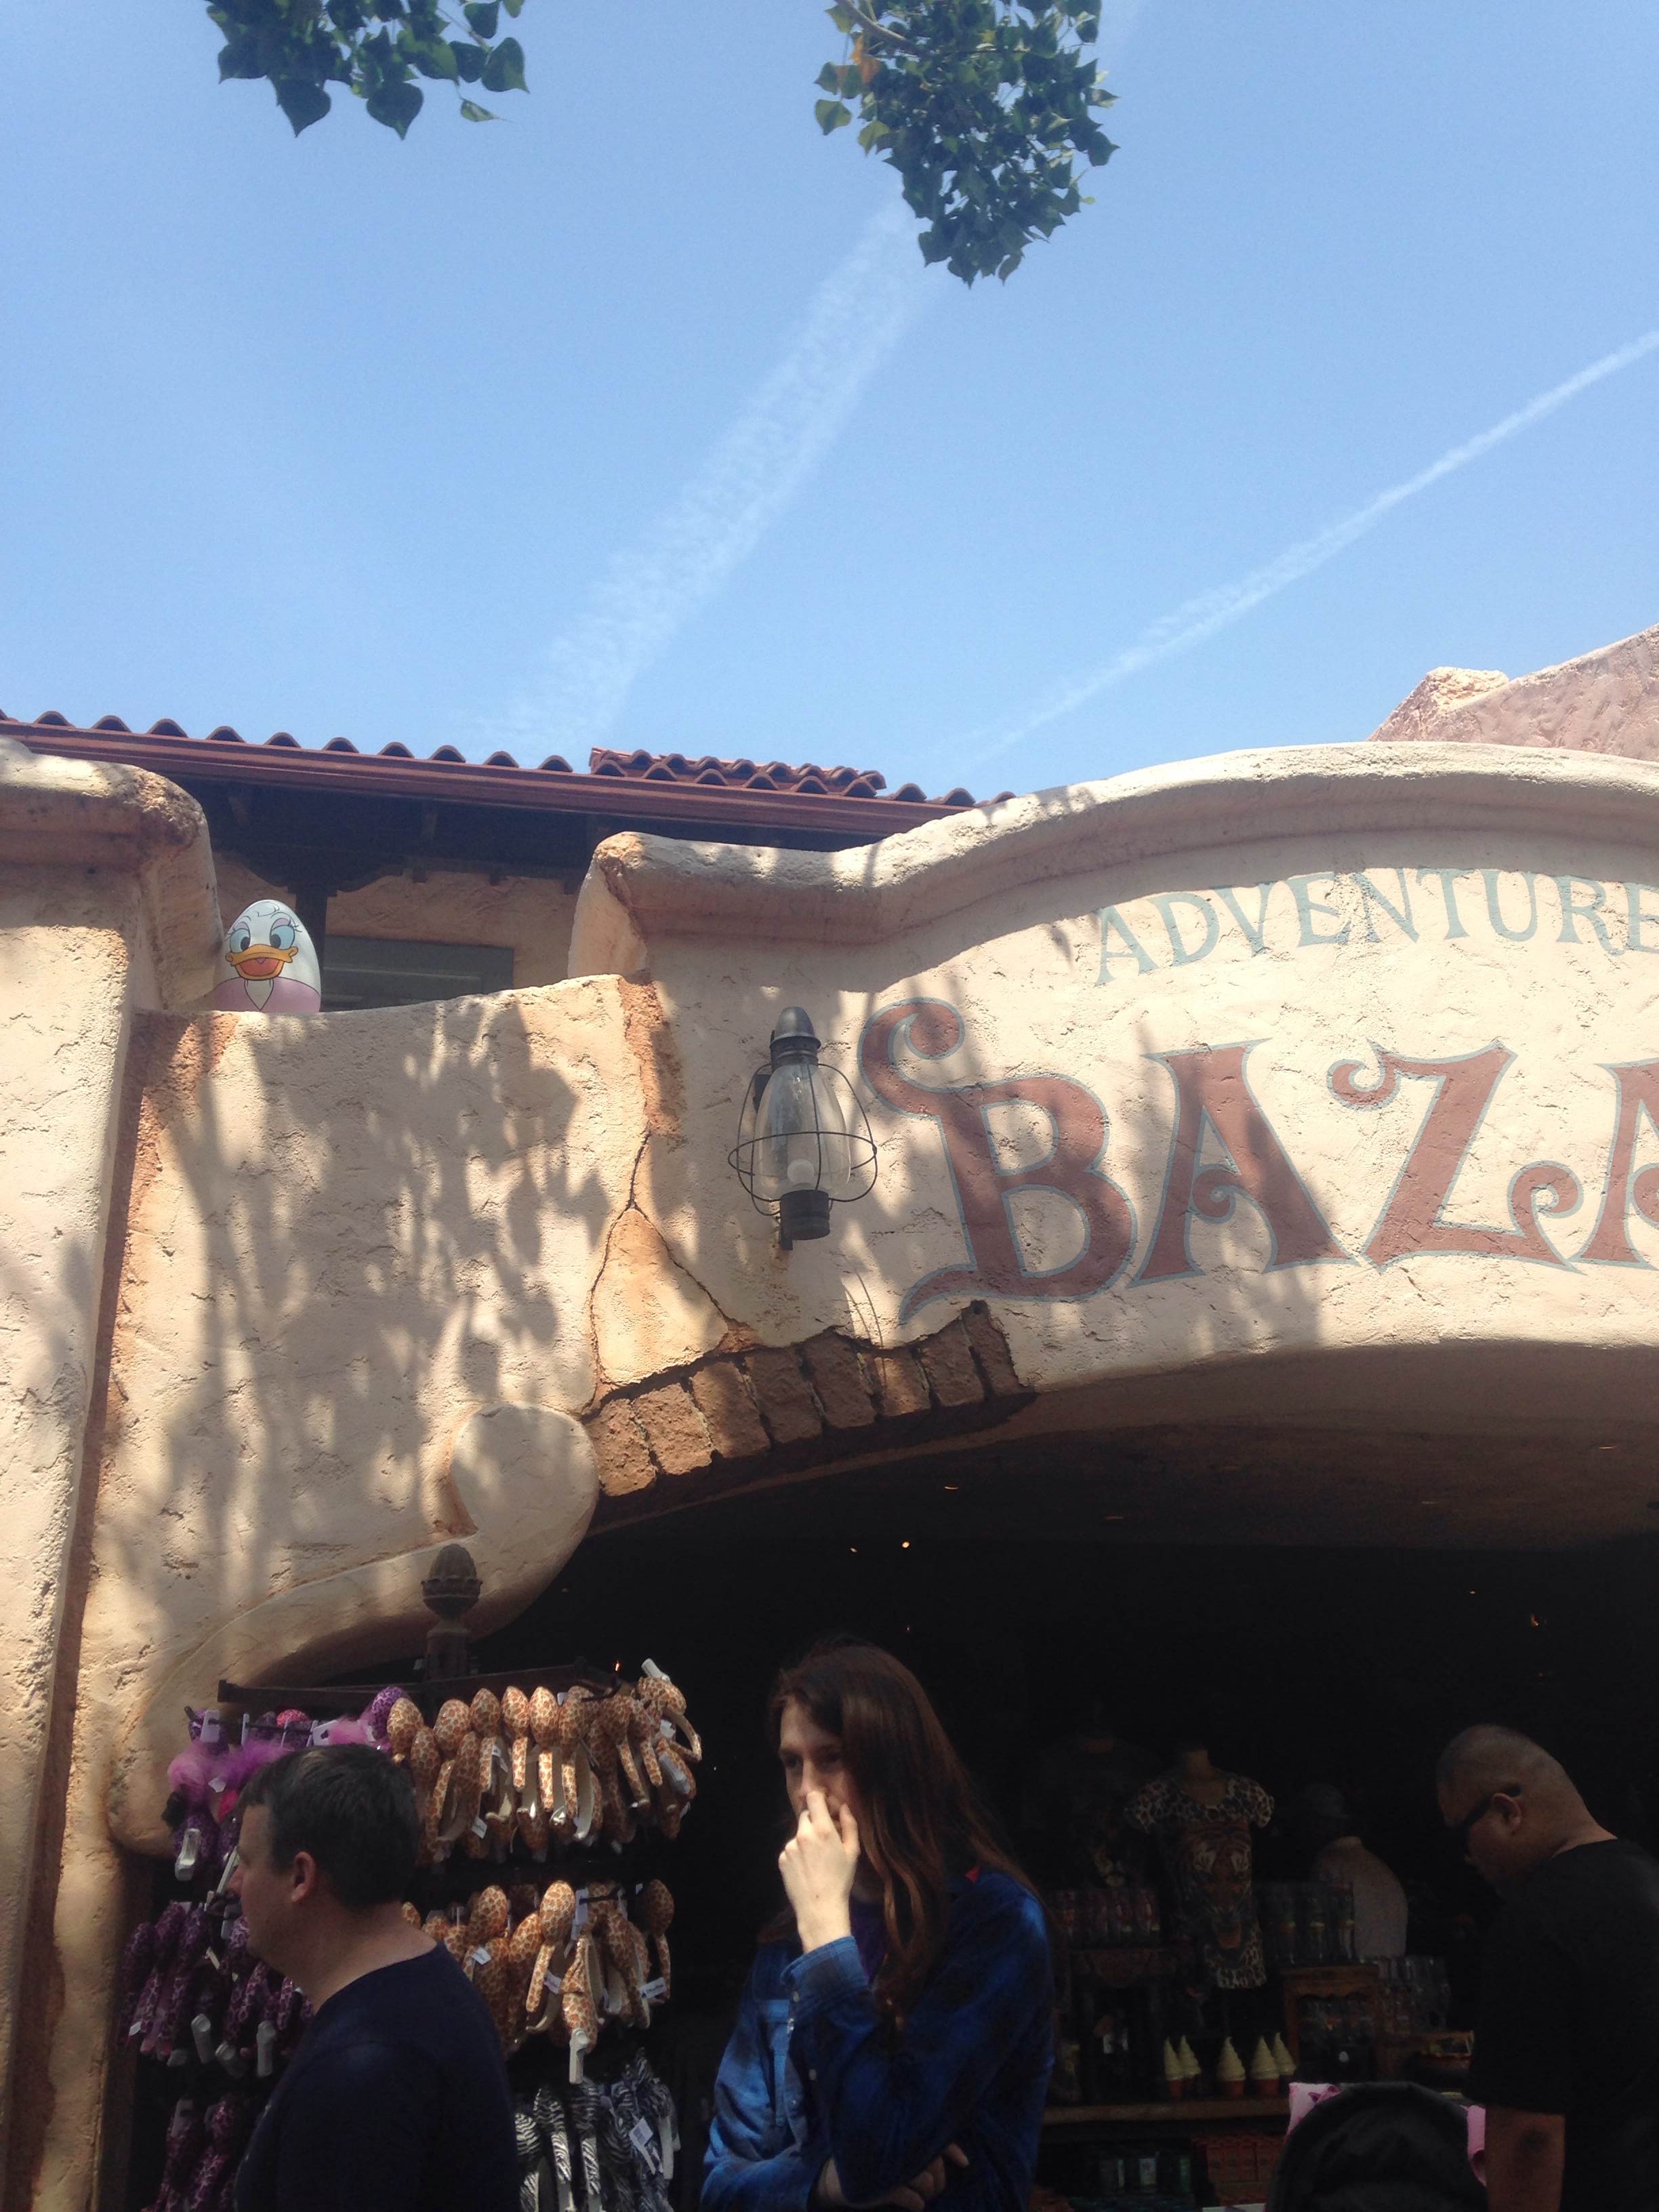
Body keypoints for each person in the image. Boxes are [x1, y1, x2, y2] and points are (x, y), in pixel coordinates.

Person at [704, 1640, 1053, 2212]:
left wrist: (827, 1935)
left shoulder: (995, 1924)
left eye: (832, 1758)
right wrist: (823, 2184)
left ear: (896, 1766)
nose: (807, 1792)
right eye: (792, 1763)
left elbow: (876, 2149)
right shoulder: (788, 1942)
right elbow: (720, 2184)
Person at [230, 1743, 517, 2212]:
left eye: (245, 1861)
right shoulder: (430, 1985)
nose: (235, 1883)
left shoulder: (360, 2069)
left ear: (301, 1877)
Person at [1436, 1723, 1659, 2212]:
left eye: (1461, 1834)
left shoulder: (1535, 1924)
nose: (1467, 1858)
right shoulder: (1649, 1883)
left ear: (1506, 1811)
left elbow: (1529, 2134)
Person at [1292, 1783, 1408, 1960]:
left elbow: (1323, 1946)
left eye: (1303, 1822)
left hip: (1354, 1975)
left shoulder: (1328, 1867)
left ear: (1318, 1823)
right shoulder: (1378, 1866)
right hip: (1388, 1974)